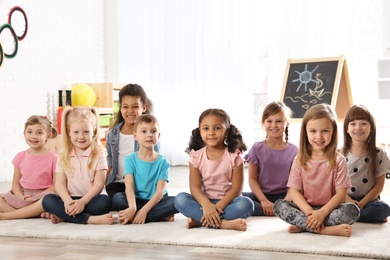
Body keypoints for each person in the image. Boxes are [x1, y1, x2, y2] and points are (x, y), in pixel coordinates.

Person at [273, 104, 360, 237]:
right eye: (313, 131)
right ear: (306, 132)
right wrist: (309, 211)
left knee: (352, 211)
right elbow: (294, 191)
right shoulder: (299, 159)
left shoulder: (339, 160)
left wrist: (322, 213)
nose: (319, 137)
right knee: (279, 206)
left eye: (324, 131)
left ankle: (304, 225)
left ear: (333, 132)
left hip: (330, 209)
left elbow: (341, 194)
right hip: (304, 209)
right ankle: (325, 229)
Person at [174, 108, 254, 231]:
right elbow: (194, 187)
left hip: (228, 203)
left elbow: (236, 189)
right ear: (200, 131)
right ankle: (224, 224)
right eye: (206, 128)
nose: (211, 132)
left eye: (217, 128)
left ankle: (201, 220)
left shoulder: (234, 156)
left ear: (226, 131)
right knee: (180, 199)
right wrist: (207, 206)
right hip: (203, 202)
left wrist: (217, 207)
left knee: (247, 204)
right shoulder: (196, 156)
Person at [42, 107, 114, 225]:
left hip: (91, 199)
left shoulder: (99, 154)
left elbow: (99, 185)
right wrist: (67, 201)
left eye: (86, 132)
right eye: (76, 132)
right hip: (71, 199)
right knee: (47, 200)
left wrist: (83, 202)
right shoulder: (63, 155)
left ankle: (65, 216)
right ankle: (89, 219)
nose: (81, 137)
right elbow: (59, 184)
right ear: (69, 131)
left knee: (105, 203)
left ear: (94, 131)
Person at [112, 114, 178, 224]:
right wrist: (132, 207)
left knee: (176, 202)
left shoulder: (163, 162)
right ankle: (156, 216)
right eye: (144, 131)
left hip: (156, 201)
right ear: (135, 136)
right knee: (117, 198)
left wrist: (144, 211)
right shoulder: (129, 159)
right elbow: (129, 186)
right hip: (136, 200)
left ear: (159, 135)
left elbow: (160, 192)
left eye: (153, 131)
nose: (149, 135)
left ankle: (140, 216)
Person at [243, 101, 298, 216]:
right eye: (269, 121)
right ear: (263, 123)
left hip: (286, 196)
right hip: (260, 195)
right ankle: (273, 209)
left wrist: (285, 202)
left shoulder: (295, 151)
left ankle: (277, 209)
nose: (273, 125)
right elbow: (252, 179)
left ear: (287, 123)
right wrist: (263, 201)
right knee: (238, 199)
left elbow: (295, 183)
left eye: (279, 121)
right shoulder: (256, 148)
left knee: (303, 200)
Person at [105, 84, 159, 198]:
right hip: (119, 184)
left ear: (143, 108)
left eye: (135, 106)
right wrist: (101, 188)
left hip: (142, 184)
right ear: (120, 108)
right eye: (125, 107)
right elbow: (109, 164)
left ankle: (140, 204)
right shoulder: (112, 134)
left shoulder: (150, 134)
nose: (130, 111)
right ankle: (138, 205)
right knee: (117, 199)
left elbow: (155, 162)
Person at [0, 116, 57, 220]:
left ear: (48, 136)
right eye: (29, 132)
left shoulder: (54, 158)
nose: (33, 136)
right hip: (24, 195)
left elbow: (56, 185)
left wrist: (40, 196)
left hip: (42, 196)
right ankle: (27, 213)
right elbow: (15, 183)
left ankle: (8, 215)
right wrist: (19, 196)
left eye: (39, 133)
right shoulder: (19, 156)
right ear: (24, 133)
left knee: (48, 200)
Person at [341, 104, 390, 223]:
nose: (358, 127)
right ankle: (354, 215)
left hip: (369, 201)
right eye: (353, 124)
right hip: (344, 199)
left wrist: (362, 203)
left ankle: (351, 216)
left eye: (363, 123)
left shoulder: (379, 154)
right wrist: (348, 200)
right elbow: (334, 185)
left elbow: (379, 186)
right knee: (328, 204)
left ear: (371, 128)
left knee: (384, 209)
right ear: (347, 129)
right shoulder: (339, 154)